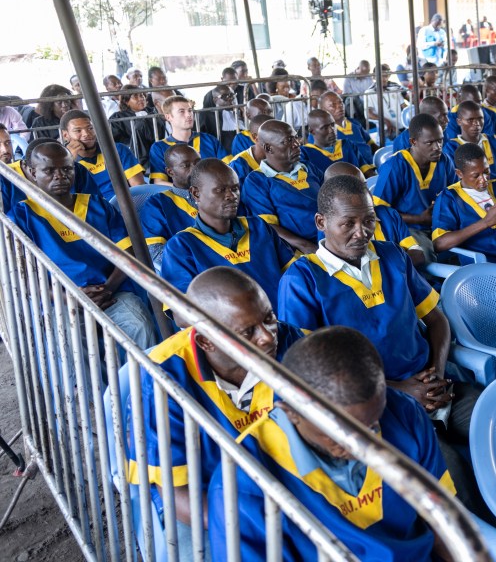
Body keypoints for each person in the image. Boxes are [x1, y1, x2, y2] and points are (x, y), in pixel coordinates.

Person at [278, 176, 482, 470]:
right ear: (321, 222)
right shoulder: (302, 280)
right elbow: (313, 372)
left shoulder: (392, 255)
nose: (362, 233)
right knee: (450, 473)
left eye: (369, 221)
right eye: (348, 224)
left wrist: (435, 374)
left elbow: (437, 320)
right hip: (377, 403)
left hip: (434, 384)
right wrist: (399, 389)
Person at [207, 326, 456, 562]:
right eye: (341, 435)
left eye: (372, 425)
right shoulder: (243, 482)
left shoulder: (404, 413)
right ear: (291, 412)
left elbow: (441, 522)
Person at [129, 267, 302, 553]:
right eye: (248, 332)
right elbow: (179, 496)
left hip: (284, 486)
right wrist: (258, 526)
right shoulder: (162, 379)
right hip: (207, 502)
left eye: (268, 317)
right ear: (206, 341)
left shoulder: (288, 341)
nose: (268, 337)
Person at [14, 140, 156, 349]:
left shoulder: (97, 206)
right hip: (60, 300)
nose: (60, 176)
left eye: (66, 169)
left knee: (140, 324)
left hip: (110, 292)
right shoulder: (22, 216)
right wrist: (68, 297)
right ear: (32, 173)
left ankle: (144, 381)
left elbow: (128, 252)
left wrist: (108, 288)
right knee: (66, 339)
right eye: (49, 170)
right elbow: (24, 275)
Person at [162, 159, 295, 309]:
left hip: (285, 322)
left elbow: (293, 277)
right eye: (220, 190)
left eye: (235, 188)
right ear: (196, 193)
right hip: (234, 330)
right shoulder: (181, 246)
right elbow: (182, 315)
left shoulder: (258, 226)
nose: (231, 196)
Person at [372, 114, 455, 261]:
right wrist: (419, 219)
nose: (437, 147)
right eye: (430, 143)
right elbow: (378, 212)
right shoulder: (395, 167)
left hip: (439, 223)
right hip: (408, 228)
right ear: (413, 142)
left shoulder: (444, 160)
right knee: (426, 256)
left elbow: (454, 194)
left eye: (440, 140)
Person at [240, 120, 324, 255]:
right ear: (268, 148)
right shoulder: (257, 181)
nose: (297, 144)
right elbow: (268, 226)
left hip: (329, 237)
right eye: (288, 141)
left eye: (295, 137)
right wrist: (306, 246)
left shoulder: (308, 167)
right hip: (299, 249)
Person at [432, 143, 496, 266]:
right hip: (483, 264)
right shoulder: (449, 197)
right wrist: (486, 222)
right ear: (459, 174)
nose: (484, 179)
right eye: (476, 176)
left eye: (486, 171)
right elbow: (439, 243)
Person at [322, 162, 425, 267]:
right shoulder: (330, 227)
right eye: (350, 190)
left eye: (364, 186)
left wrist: (388, 269)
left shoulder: (389, 214)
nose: (362, 194)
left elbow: (416, 252)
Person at [59, 109, 144, 202]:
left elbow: (138, 187)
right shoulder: (60, 164)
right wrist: (69, 161)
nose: (86, 134)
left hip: (127, 205)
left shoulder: (117, 150)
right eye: (78, 130)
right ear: (66, 135)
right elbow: (68, 200)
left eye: (90, 128)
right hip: (93, 211)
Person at [139, 144, 200, 271]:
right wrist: (194, 266)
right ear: (170, 172)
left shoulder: (216, 194)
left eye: (198, 162)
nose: (195, 169)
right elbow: (155, 252)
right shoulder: (157, 204)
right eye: (186, 165)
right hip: (186, 272)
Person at [149, 96, 227, 184]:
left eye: (190, 110)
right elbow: (159, 182)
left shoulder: (209, 139)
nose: (189, 115)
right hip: (178, 195)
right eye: (182, 111)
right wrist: (188, 192)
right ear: (168, 117)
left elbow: (227, 169)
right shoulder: (159, 147)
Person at [443, 100, 496, 178]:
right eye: (470, 120)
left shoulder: (492, 141)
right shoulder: (451, 148)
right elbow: (453, 179)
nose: (477, 123)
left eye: (480, 118)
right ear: (459, 122)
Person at [304, 109, 374, 177]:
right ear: (312, 131)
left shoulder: (348, 145)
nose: (332, 130)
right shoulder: (306, 153)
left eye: (332, 125)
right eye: (325, 128)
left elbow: (367, 171)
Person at [320, 91, 376, 166]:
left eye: (341, 102)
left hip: (371, 166)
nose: (339, 106)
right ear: (323, 110)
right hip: (351, 172)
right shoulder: (321, 132)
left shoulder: (355, 123)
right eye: (333, 105)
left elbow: (371, 144)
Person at [364, 65, 409, 139]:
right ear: (374, 77)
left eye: (386, 76)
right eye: (381, 76)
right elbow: (368, 114)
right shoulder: (369, 92)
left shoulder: (394, 88)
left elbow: (403, 105)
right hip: (386, 128)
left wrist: (411, 118)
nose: (384, 78)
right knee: (402, 139)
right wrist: (386, 121)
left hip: (401, 125)